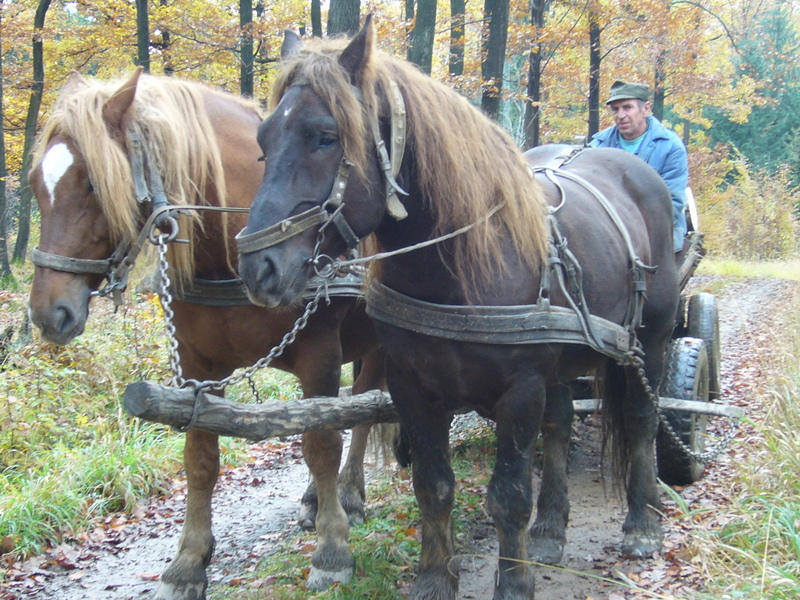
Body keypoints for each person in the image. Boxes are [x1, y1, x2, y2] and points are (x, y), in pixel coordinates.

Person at [590, 80, 688, 253]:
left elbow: (671, 205)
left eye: (627, 107)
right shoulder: (598, 145)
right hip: (607, 233)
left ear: (646, 109)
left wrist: (632, 234)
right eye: (615, 109)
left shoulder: (670, 147)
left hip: (656, 234)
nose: (620, 115)